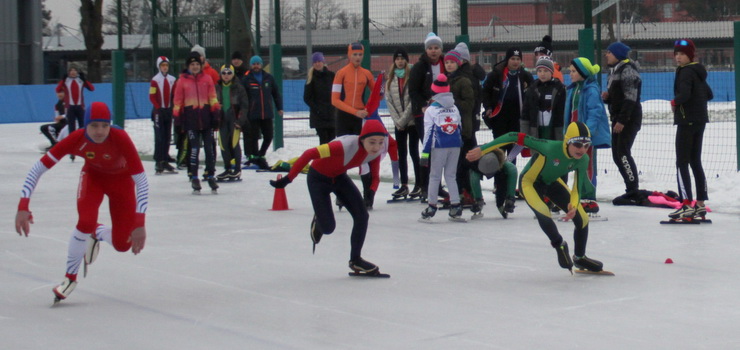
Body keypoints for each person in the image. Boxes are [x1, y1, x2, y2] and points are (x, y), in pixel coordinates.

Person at [15, 102, 149, 302]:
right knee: (85, 222)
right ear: (85, 125)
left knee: (122, 245)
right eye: (94, 125)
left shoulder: (120, 137)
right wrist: (23, 205)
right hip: (93, 178)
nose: (100, 131)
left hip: (122, 183)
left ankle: (98, 233)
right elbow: (38, 169)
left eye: (104, 125)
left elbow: (141, 180)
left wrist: (140, 223)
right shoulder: (75, 139)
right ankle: (70, 278)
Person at [466, 122, 606, 273]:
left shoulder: (583, 159)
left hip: (552, 182)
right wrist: (483, 149)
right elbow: (513, 136)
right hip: (530, 183)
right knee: (544, 213)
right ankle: (559, 244)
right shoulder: (549, 147)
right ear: (567, 141)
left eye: (586, 145)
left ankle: (580, 257)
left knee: (582, 219)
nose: (582, 149)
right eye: (578, 144)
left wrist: (573, 205)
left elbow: (577, 188)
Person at [268, 120, 390, 274]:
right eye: (372, 142)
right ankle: (319, 221)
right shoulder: (341, 146)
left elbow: (374, 172)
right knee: (328, 228)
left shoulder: (378, 150)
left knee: (362, 216)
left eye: (380, 142)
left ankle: (356, 260)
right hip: (318, 179)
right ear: (362, 139)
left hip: (339, 177)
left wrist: (372, 190)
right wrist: (288, 179)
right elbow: (309, 154)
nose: (377, 147)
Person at [668, 39, 713, 220]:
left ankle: (686, 203)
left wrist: (674, 102)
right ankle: (700, 203)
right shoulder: (698, 71)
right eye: (676, 54)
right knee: (695, 161)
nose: (678, 57)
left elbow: (684, 95)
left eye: (682, 54)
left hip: (686, 122)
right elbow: (709, 94)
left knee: (681, 162)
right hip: (700, 120)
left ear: (690, 55)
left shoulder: (685, 72)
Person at [564, 57, 611, 213]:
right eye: (570, 71)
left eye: (573, 71)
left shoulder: (590, 89)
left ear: (582, 72)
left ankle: (589, 198)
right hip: (573, 134)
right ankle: (578, 195)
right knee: (576, 165)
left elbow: (594, 112)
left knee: (587, 164)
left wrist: (587, 133)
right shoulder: (574, 88)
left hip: (584, 136)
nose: (570, 74)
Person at [173, 51, 221, 193]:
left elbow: (213, 98)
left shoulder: (207, 79)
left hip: (206, 119)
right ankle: (194, 177)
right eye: (192, 64)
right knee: (194, 148)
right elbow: (178, 102)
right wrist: (177, 120)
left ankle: (211, 175)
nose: (195, 66)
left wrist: (216, 115)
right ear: (188, 66)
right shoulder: (182, 81)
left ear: (201, 65)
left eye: (197, 64)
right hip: (191, 120)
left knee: (209, 149)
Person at [602, 42, 643, 204]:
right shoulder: (615, 70)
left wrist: (622, 120)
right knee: (617, 154)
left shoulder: (628, 71)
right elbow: (620, 96)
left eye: (609, 53)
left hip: (628, 119)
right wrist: (609, 98)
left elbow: (630, 98)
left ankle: (633, 189)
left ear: (618, 54)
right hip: (618, 117)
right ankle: (630, 188)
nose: (606, 55)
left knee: (623, 153)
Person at [407, 32, 446, 202]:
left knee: (440, 150)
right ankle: (425, 186)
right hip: (423, 115)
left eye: (436, 48)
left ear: (440, 49)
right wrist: (423, 105)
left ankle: (437, 187)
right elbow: (413, 90)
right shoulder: (419, 67)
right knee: (427, 150)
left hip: (442, 114)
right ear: (426, 50)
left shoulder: (446, 64)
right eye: (430, 48)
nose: (433, 51)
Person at [420, 74, 464, 222]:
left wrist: (424, 154)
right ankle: (456, 206)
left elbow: (428, 132)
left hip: (438, 146)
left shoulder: (431, 110)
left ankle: (431, 206)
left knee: (435, 176)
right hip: (455, 145)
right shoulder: (454, 107)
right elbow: (460, 127)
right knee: (451, 175)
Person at [482, 47, 533, 160]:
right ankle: (499, 175)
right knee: (499, 150)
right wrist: (488, 107)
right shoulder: (496, 75)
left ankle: (511, 174)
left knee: (512, 152)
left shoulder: (525, 76)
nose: (515, 62)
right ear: (507, 60)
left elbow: (533, 95)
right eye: (512, 59)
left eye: (518, 59)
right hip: (499, 119)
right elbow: (485, 92)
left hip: (517, 119)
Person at [386, 47, 420, 200]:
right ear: (394, 61)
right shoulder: (391, 79)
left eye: (402, 59)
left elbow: (413, 100)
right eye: (397, 59)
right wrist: (397, 121)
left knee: (414, 151)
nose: (400, 61)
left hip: (411, 121)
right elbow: (389, 101)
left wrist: (403, 119)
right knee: (402, 154)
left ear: (406, 60)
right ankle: (404, 184)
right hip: (399, 123)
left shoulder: (412, 76)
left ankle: (419, 183)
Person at [443, 49, 476, 206]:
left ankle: (466, 192)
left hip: (462, 129)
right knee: (453, 164)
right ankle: (456, 192)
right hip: (449, 129)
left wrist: (451, 101)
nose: (449, 65)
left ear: (458, 63)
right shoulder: (445, 80)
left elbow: (469, 104)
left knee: (462, 163)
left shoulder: (463, 81)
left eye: (452, 62)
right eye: (447, 62)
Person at [242, 55, 284, 169]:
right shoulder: (247, 79)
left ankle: (261, 154)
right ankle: (255, 157)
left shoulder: (268, 78)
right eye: (254, 64)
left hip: (267, 113)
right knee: (254, 137)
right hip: (253, 113)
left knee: (269, 136)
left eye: (258, 63)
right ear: (251, 65)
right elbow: (243, 97)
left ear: (261, 65)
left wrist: (279, 107)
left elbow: (276, 94)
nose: (256, 66)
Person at [215, 65, 249, 181]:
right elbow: (212, 102)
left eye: (229, 73)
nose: (226, 75)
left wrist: (240, 121)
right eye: (224, 73)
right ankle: (227, 168)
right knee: (223, 143)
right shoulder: (217, 87)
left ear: (233, 74)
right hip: (222, 118)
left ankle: (237, 169)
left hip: (234, 118)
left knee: (234, 143)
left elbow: (244, 106)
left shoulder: (239, 88)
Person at [521, 56, 566, 141]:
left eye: (545, 71)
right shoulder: (532, 89)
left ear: (551, 72)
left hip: (555, 130)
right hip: (536, 130)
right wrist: (524, 133)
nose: (542, 74)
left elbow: (563, 111)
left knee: (553, 153)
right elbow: (525, 112)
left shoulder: (559, 89)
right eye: (539, 71)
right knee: (537, 154)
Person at [468, 149, 517, 218]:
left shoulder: (501, 166)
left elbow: (501, 185)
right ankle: (478, 199)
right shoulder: (472, 163)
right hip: (477, 162)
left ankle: (510, 198)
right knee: (474, 177)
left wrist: (500, 204)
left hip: (496, 162)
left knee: (512, 170)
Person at [149, 56, 178, 175]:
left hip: (168, 110)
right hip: (158, 111)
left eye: (166, 65)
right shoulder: (155, 80)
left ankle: (165, 159)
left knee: (167, 136)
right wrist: (158, 107)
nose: (165, 68)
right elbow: (152, 96)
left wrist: (172, 107)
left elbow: (174, 94)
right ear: (159, 67)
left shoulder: (172, 79)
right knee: (159, 136)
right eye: (162, 66)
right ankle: (159, 161)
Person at [303, 51, 336, 145]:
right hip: (319, 116)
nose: (317, 63)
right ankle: (324, 159)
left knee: (333, 141)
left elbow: (338, 92)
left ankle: (332, 159)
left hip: (331, 114)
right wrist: (317, 109)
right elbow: (307, 98)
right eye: (315, 62)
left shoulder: (332, 76)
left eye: (319, 61)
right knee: (324, 141)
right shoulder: (311, 78)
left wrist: (335, 107)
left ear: (323, 62)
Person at [55, 64, 94, 136]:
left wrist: (85, 80)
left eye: (75, 70)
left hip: (80, 106)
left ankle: (83, 140)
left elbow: (91, 88)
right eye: (71, 70)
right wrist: (62, 80)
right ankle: (72, 142)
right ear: (68, 72)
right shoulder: (66, 80)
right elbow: (57, 89)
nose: (73, 72)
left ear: (77, 72)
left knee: (83, 125)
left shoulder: (80, 80)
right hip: (70, 106)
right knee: (71, 126)